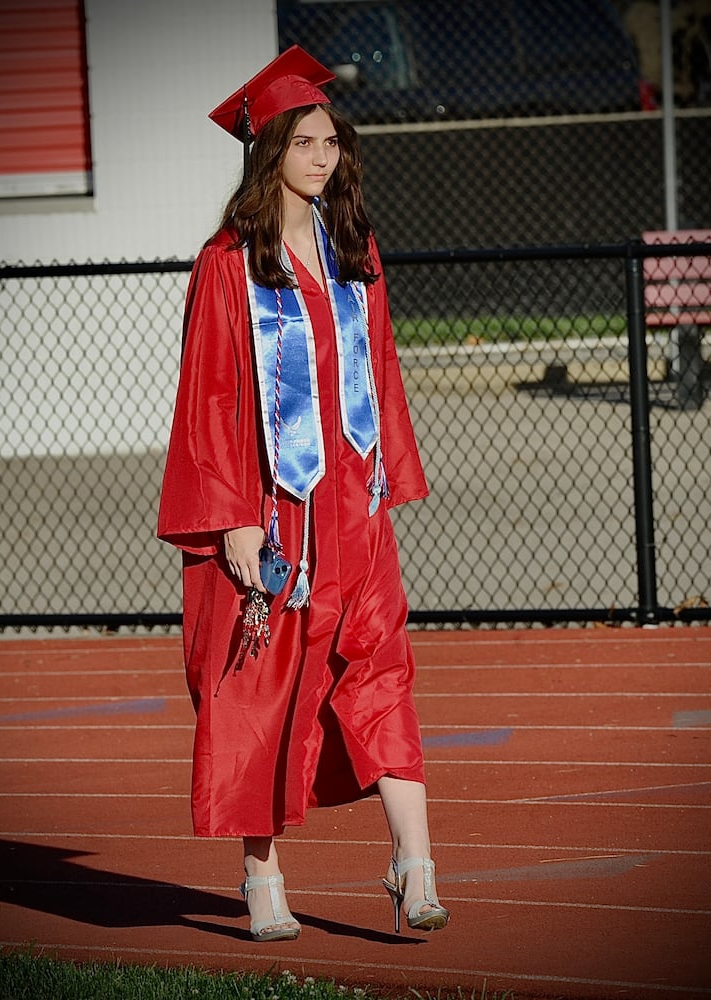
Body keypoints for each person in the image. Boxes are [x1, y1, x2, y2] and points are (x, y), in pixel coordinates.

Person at [157, 45, 449, 942]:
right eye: (308, 141)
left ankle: (416, 861)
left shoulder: (353, 249)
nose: (326, 157)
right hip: (275, 519)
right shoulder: (227, 266)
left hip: (352, 515)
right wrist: (233, 517)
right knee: (260, 694)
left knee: (383, 674)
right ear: (270, 149)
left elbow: (381, 372)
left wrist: (382, 478)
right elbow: (208, 397)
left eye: (333, 141)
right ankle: (261, 875)